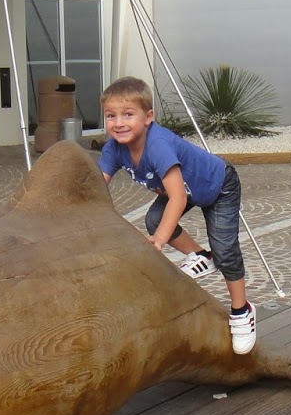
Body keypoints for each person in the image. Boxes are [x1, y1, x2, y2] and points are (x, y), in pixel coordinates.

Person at [97, 76, 256, 354]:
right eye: (111, 116)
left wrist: (158, 241)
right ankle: (202, 257)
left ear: (148, 117)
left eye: (128, 114)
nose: (118, 123)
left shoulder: (157, 145)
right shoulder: (114, 148)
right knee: (154, 220)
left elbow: (178, 197)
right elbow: (98, 185)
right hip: (182, 190)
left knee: (225, 250)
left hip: (217, 185)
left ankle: (242, 311)